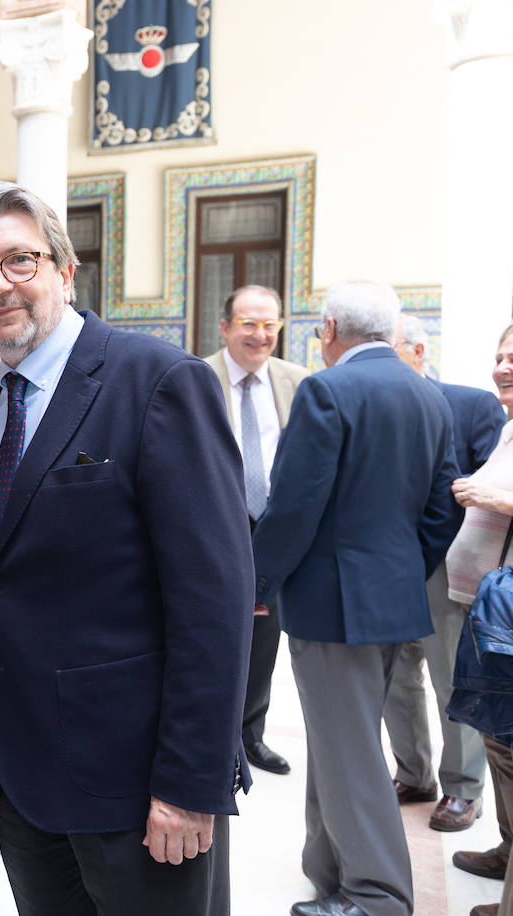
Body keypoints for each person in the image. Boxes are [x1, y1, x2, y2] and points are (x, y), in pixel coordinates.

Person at [0, 180, 253, 915]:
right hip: (31, 791)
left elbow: (214, 601)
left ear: (64, 268)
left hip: (139, 792)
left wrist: (187, 783)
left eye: (19, 259)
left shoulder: (156, 380)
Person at [252, 281, 462, 916]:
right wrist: (401, 570)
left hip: (334, 604)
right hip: (392, 601)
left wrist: (256, 585)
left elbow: (294, 506)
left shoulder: (326, 389)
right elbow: (441, 507)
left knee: (349, 751)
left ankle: (376, 896)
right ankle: (330, 867)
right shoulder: (428, 393)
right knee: (340, 741)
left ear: (330, 327)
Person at [384, 314, 504, 832]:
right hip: (386, 565)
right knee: (396, 678)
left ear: (417, 351)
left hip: (446, 566)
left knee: (452, 679)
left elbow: (485, 487)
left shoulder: (472, 404)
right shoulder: (376, 407)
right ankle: (414, 773)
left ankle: (461, 788)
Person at [203, 284, 310, 777]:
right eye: (248, 323)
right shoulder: (196, 377)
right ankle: (210, 738)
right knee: (208, 635)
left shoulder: (298, 382)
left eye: (270, 325)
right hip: (213, 523)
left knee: (264, 638)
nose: (260, 334)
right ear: (225, 327)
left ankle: (250, 737)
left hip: (271, 528)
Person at [441, 323, 513, 916]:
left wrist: (494, 499)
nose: (503, 367)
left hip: (507, 617)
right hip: (484, 608)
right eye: (500, 357)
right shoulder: (510, 425)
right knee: (497, 737)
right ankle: (508, 853)